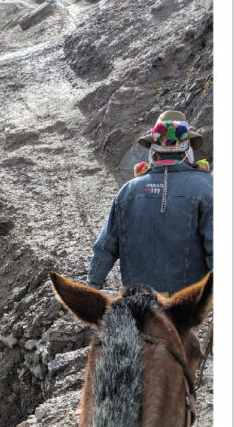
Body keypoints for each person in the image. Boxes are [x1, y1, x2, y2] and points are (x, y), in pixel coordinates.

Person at [87, 110, 212, 296]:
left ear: (154, 151)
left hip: (139, 301)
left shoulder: (128, 191)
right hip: (187, 303)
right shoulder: (207, 188)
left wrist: (92, 286)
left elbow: (105, 245)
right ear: (188, 150)